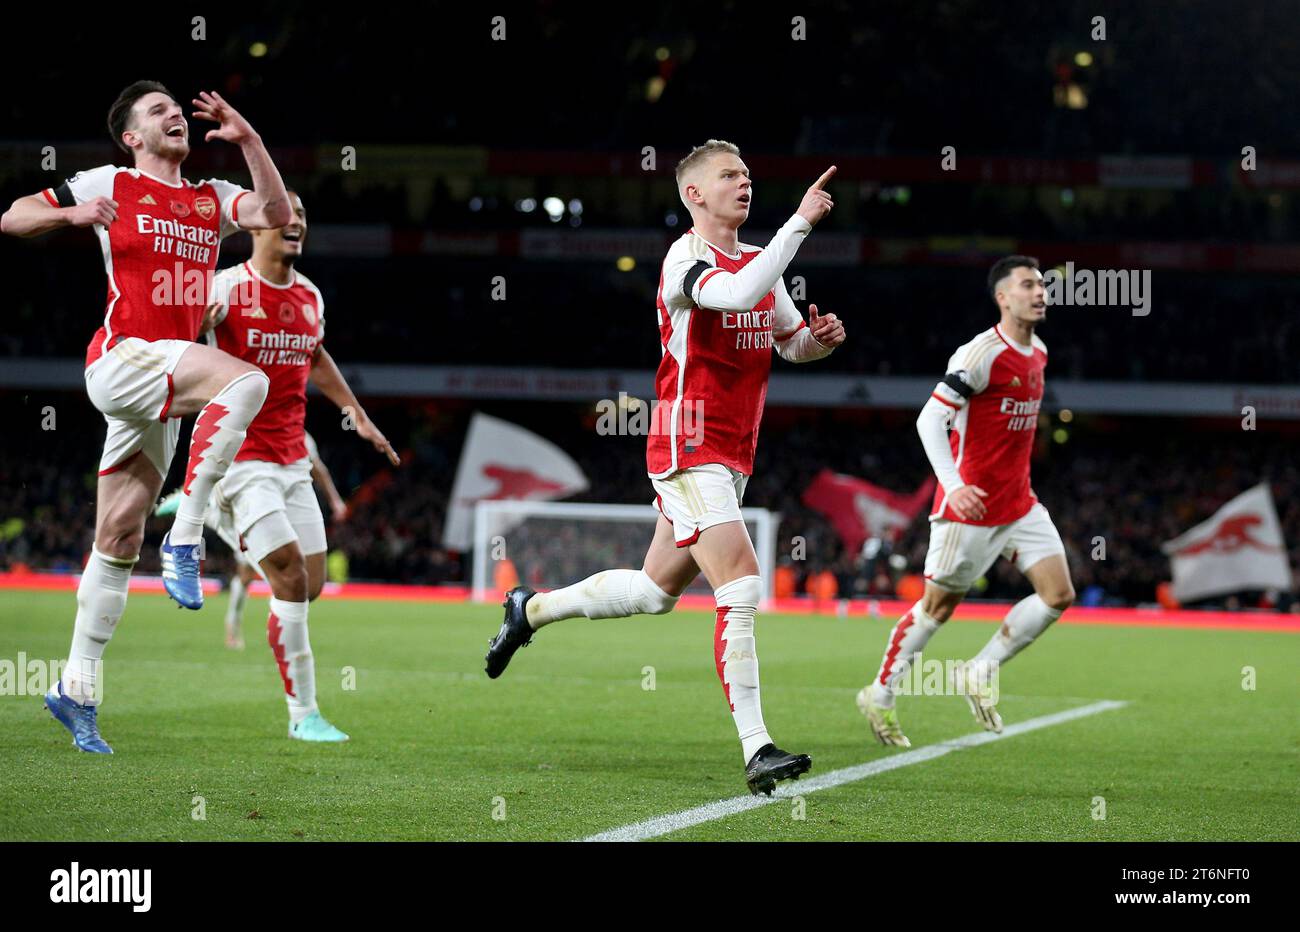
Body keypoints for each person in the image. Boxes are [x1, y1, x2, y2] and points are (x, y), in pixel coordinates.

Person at [485, 140, 846, 795]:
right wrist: (799, 223)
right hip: (688, 445)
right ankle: (758, 748)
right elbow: (734, 296)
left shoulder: (759, 264)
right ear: (694, 194)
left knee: (655, 593)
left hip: (733, 454)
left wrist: (817, 343)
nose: (744, 183)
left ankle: (529, 609)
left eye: (747, 174)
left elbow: (789, 342)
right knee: (741, 582)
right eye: (729, 175)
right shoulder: (687, 258)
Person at [1, 81, 292, 753]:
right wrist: (72, 215)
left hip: (166, 377)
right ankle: (186, 538)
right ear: (131, 136)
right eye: (158, 110)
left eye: (176, 108)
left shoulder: (211, 197)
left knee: (118, 538)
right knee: (246, 380)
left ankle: (76, 689)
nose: (175, 115)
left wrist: (249, 140)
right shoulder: (112, 182)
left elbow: (275, 211)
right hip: (124, 358)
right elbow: (12, 217)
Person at [197, 190, 400, 740]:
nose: (297, 223)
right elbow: (173, 352)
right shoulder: (222, 289)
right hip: (240, 457)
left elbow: (315, 355)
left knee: (309, 584)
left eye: (304, 215)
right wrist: (192, 328)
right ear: (254, 225)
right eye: (285, 214)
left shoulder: (310, 296)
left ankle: (224, 524)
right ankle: (303, 714)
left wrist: (356, 414)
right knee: (287, 575)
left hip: (292, 460)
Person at [858, 256, 1075, 748]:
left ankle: (979, 670)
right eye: (1028, 285)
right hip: (970, 507)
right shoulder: (980, 354)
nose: (1040, 293)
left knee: (1058, 594)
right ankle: (880, 694)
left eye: (1042, 285)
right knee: (937, 608)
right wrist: (954, 485)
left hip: (1019, 503)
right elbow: (929, 420)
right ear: (1003, 297)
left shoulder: (1039, 352)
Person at [156, 431, 349, 651]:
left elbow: (318, 470)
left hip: (284, 507)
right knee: (258, 575)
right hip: (249, 501)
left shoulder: (301, 437)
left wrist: (335, 501)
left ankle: (204, 511)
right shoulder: (249, 426)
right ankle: (236, 627)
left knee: (296, 580)